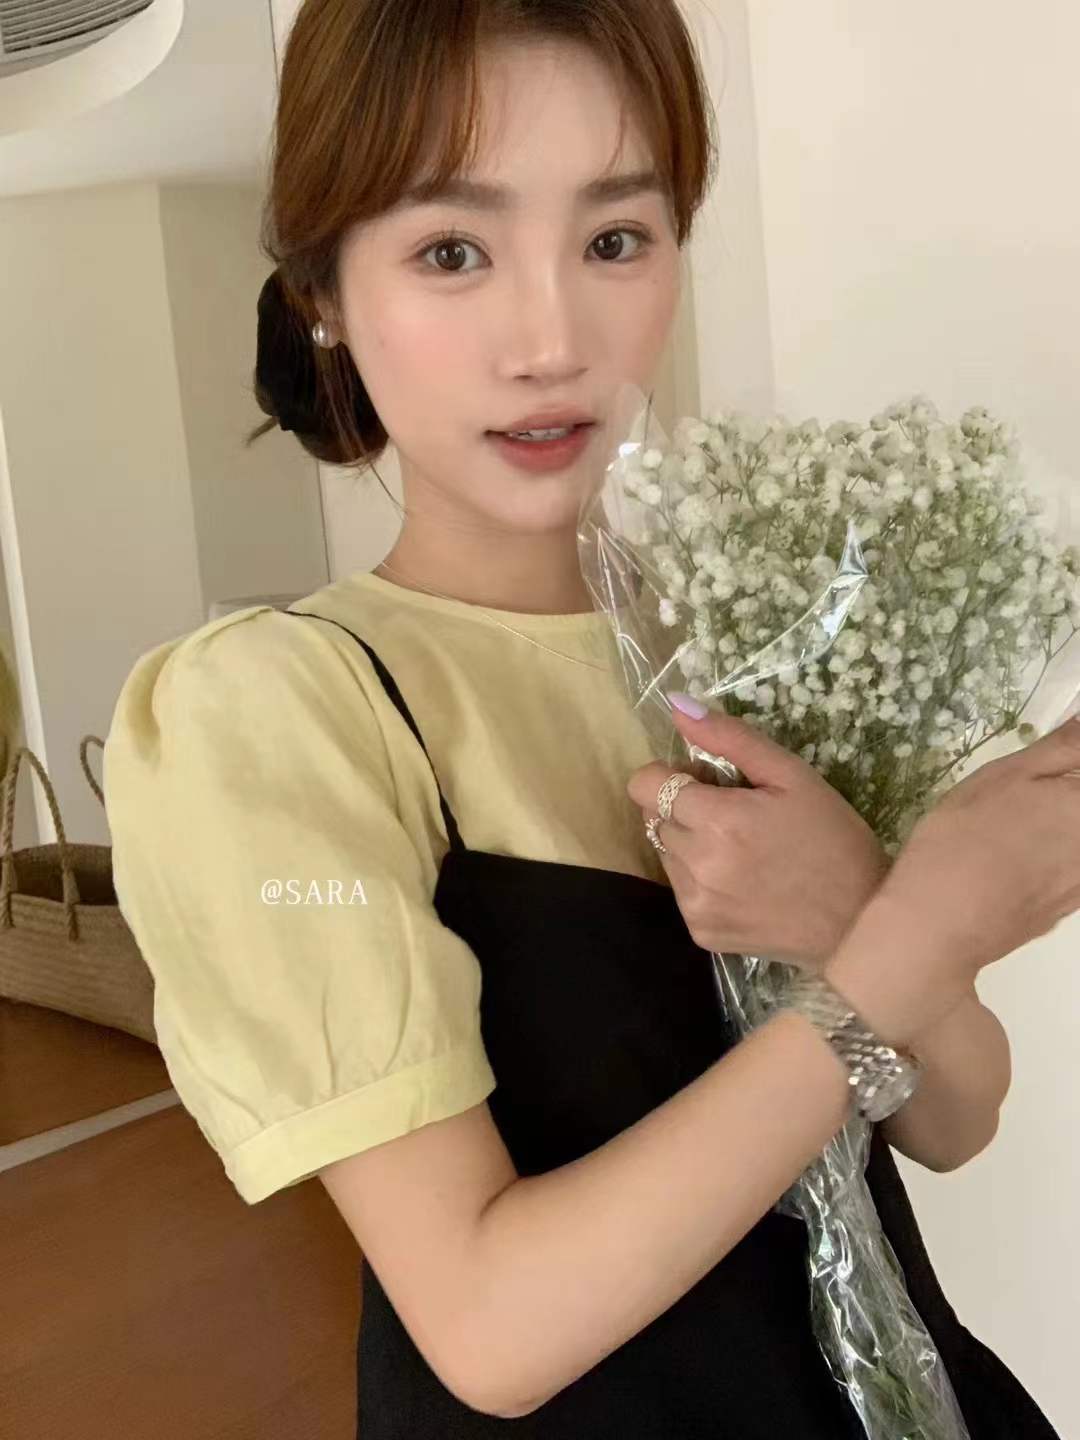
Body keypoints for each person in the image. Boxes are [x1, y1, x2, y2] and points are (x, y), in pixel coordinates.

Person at [102, 1, 1073, 1435]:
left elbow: (954, 1119)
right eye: (453, 252)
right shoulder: (281, 709)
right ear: (324, 292)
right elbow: (489, 1330)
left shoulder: (753, 634)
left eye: (615, 239)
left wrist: (859, 906)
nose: (551, 339)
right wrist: (919, 927)